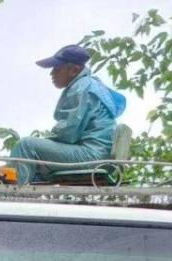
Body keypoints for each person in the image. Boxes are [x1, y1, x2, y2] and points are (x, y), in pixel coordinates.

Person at [9, 44, 126, 184]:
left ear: (74, 70)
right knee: (35, 158)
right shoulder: (91, 84)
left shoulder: (82, 87)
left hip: (91, 156)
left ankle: (13, 194)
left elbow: (69, 133)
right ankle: (30, 187)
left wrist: (47, 141)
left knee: (26, 145)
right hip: (98, 155)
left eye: (57, 68)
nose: (52, 73)